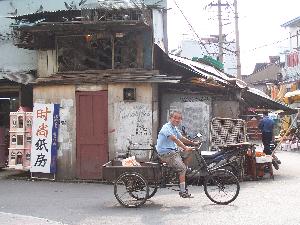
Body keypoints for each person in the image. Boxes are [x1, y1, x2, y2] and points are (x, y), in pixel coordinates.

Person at [156, 111, 199, 198]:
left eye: (179, 118)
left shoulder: (174, 128)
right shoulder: (166, 128)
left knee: (190, 151)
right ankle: (183, 191)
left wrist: (193, 143)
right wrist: (185, 147)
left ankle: (182, 170)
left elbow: (181, 138)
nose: (177, 120)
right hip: (166, 153)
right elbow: (175, 139)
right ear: (170, 118)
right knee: (183, 168)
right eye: (175, 117)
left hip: (173, 151)